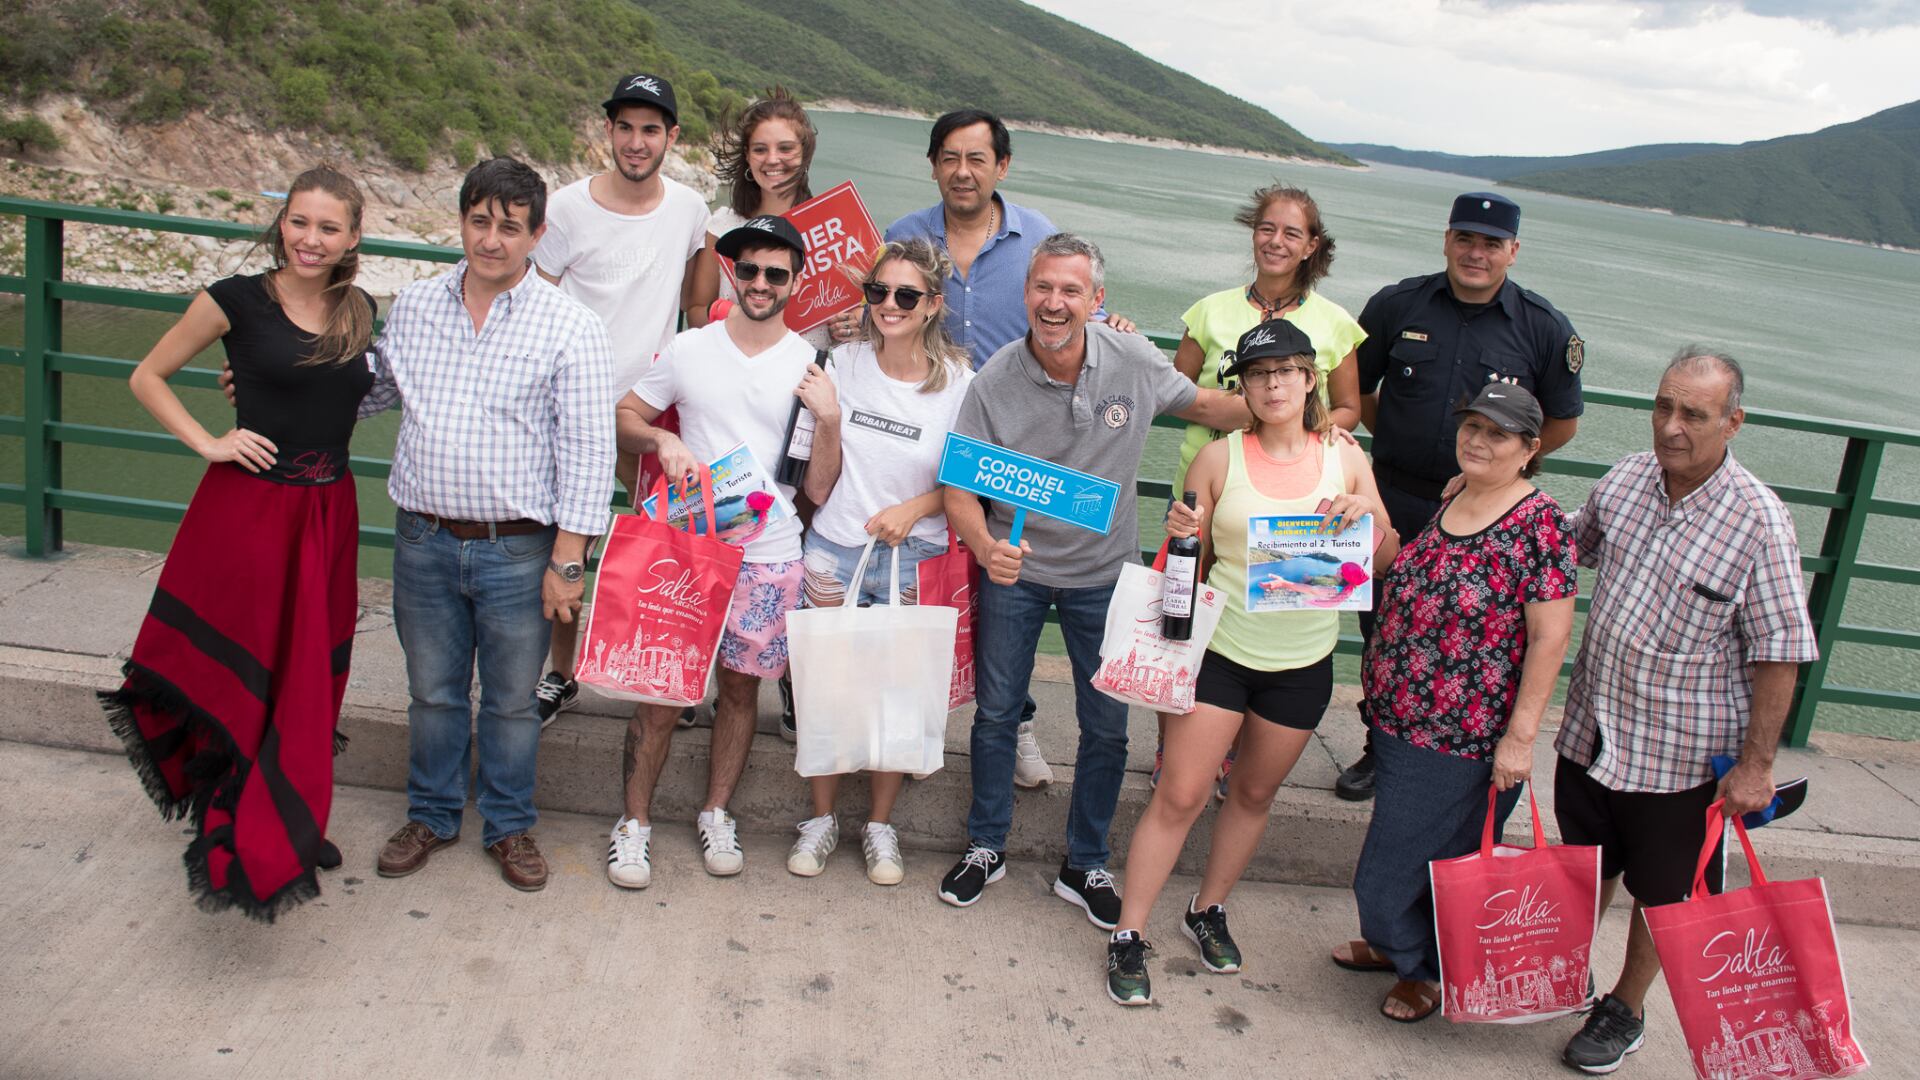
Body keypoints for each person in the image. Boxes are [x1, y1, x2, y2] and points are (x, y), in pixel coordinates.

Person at [936, 233, 1248, 925]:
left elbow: (1202, 405)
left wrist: (1300, 416)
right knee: (995, 715)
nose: (1055, 302)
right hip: (1016, 571)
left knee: (1107, 728)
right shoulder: (994, 382)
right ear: (1026, 295)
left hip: (1107, 574)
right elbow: (959, 484)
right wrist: (987, 547)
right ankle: (987, 845)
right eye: (1043, 288)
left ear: (1097, 300)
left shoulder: (1133, 357)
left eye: (1071, 291)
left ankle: (1085, 861)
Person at [101, 165, 375, 920]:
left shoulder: (359, 310)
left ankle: (288, 808)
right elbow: (147, 375)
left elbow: (344, 392)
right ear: (279, 223)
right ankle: (249, 815)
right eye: (299, 222)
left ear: (353, 236)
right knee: (248, 662)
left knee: (309, 670)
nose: (310, 239)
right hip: (251, 514)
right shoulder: (235, 299)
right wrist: (210, 442)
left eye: (328, 227)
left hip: (328, 515)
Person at [1104, 320, 1398, 1006]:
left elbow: (1385, 558)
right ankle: (1129, 932)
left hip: (1304, 661)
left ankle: (1207, 909)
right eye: (1258, 375)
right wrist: (1181, 534)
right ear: (1244, 386)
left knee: (1255, 795)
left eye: (1286, 371)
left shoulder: (1347, 457)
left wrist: (1368, 518)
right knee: (1179, 794)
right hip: (1223, 653)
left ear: (1309, 379)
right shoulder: (1219, 459)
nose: (1272, 385)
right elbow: (1190, 565)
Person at [1553, 348, 1817, 1075]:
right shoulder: (1629, 478)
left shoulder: (1759, 520)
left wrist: (1758, 765)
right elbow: (1569, 544)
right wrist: (1491, 496)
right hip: (1593, 728)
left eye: (1693, 415)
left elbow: (1780, 652)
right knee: (1588, 863)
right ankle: (1564, 971)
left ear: (1733, 422)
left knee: (1664, 892)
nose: (1671, 427)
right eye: (1663, 406)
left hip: (1682, 755)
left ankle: (1625, 1008)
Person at [368, 158, 617, 893]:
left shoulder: (569, 325)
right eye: (480, 221)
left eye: (511, 227)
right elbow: (370, 391)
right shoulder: (414, 306)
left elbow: (586, 448)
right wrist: (271, 377)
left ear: (537, 234)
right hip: (423, 536)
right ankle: (434, 814)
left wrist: (567, 561)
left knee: (511, 700)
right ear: (463, 221)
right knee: (434, 691)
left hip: (517, 549)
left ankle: (509, 826)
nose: (492, 239)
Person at [887, 109, 1136, 789]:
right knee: (932, 591)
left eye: (977, 158)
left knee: (1006, 591)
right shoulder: (903, 235)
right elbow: (884, 314)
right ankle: (917, 725)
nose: (962, 171)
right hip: (928, 430)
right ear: (933, 163)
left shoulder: (1036, 238)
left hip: (1013, 449)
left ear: (1002, 165)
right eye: (949, 157)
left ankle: (1017, 722)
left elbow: (1066, 304)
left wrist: (1107, 327)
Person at [1330, 382, 1577, 1023]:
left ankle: (1424, 971)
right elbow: (1399, 567)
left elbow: (1551, 637)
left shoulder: (1539, 523)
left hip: (1460, 737)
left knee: (1391, 873)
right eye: (1472, 425)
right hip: (1400, 719)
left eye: (1497, 433)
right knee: (1419, 855)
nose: (1478, 439)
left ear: (1530, 449)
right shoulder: (1457, 494)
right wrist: (1366, 520)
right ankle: (1398, 947)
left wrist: (1521, 738)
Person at [1339, 190, 1585, 802]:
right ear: (1447, 239)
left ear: (1514, 251)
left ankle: (1463, 747)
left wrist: (1497, 475)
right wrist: (1399, 433)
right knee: (1385, 626)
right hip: (1393, 494)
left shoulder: (1544, 328)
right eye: (1466, 239)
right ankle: (1381, 745)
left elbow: (1560, 422)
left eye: (1491, 243)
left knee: (1471, 637)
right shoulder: (1397, 304)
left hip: (1480, 511)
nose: (1477, 253)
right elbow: (1357, 390)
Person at [610, 215, 834, 886]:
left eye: (776, 273)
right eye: (750, 270)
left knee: (740, 691)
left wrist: (832, 418)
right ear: (731, 272)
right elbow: (624, 414)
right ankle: (634, 824)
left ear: (797, 281)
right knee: (660, 692)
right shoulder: (689, 349)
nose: (761, 283)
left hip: (769, 553)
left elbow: (818, 486)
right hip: (685, 548)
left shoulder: (813, 365)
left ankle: (716, 812)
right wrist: (662, 442)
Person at [1158, 183, 1367, 796]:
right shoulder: (1211, 310)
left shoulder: (1335, 325)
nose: (1276, 241)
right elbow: (1173, 393)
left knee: (1271, 627)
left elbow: (1351, 406)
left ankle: (1239, 759)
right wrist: (1243, 413)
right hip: (1207, 492)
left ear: (1313, 246)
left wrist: (1298, 428)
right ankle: (1177, 753)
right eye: (1267, 228)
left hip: (1291, 507)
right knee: (1181, 623)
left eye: (1292, 233)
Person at [782, 238, 976, 886]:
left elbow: (963, 484)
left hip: (912, 556)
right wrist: (831, 420)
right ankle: (821, 817)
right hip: (834, 550)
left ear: (933, 305)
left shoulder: (959, 384)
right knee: (826, 689)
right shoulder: (842, 360)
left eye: (905, 295)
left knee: (896, 694)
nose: (888, 305)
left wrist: (915, 508)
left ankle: (880, 824)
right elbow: (816, 487)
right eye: (878, 292)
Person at [528, 72, 710, 728]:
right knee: (564, 546)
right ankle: (560, 674)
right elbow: (534, 304)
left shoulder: (691, 209)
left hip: (647, 412)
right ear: (608, 130)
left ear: (671, 137)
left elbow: (700, 302)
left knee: (661, 548)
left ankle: (659, 670)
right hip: (570, 409)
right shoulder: (567, 208)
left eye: (651, 129)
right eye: (626, 127)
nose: (637, 142)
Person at [689, 87, 836, 352]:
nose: (772, 160)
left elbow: (857, 318)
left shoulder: (832, 227)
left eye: (785, 148)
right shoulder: (723, 226)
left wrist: (848, 327)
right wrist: (726, 311)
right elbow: (696, 312)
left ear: (805, 153)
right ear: (747, 156)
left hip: (803, 379)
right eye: (760, 149)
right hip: (732, 368)